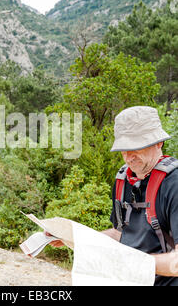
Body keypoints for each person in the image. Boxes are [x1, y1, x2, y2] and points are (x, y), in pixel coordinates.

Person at [48, 106, 178, 286]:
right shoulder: (124, 180)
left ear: (158, 142)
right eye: (124, 149)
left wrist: (131, 262)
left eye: (136, 147)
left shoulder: (174, 184)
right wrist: (72, 238)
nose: (128, 157)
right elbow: (120, 234)